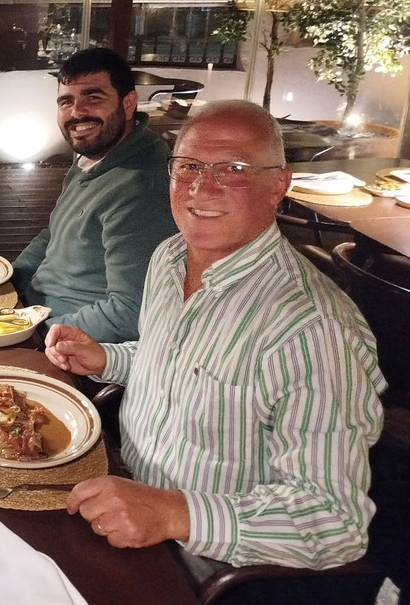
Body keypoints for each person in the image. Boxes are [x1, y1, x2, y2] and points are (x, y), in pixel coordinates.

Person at [45, 101, 387, 601]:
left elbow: (333, 521)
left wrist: (172, 513)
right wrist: (108, 359)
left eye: (234, 169)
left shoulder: (314, 330)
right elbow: (178, 361)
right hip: (119, 488)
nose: (202, 188)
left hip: (210, 565)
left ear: (279, 185)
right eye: (189, 166)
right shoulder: (169, 257)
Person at [12, 47, 177, 343]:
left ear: (128, 104)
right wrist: (7, 281)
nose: (77, 112)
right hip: (33, 313)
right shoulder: (96, 156)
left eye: (93, 97)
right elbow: (54, 236)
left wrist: (33, 333)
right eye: (66, 101)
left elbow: (130, 313)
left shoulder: (142, 187)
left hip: (65, 343)